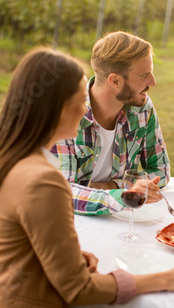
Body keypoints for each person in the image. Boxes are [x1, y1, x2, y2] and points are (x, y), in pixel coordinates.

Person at [0, 47, 174, 308]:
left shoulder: (7, 158)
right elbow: (78, 290)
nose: (86, 109)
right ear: (55, 109)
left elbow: (22, 243)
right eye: (80, 99)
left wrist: (73, 258)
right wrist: (168, 279)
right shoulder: (44, 182)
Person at [52, 31, 168, 215]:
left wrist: (114, 186)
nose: (152, 83)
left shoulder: (142, 108)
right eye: (144, 76)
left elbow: (161, 169)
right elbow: (61, 192)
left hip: (117, 216)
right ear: (115, 80)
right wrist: (121, 195)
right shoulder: (64, 114)